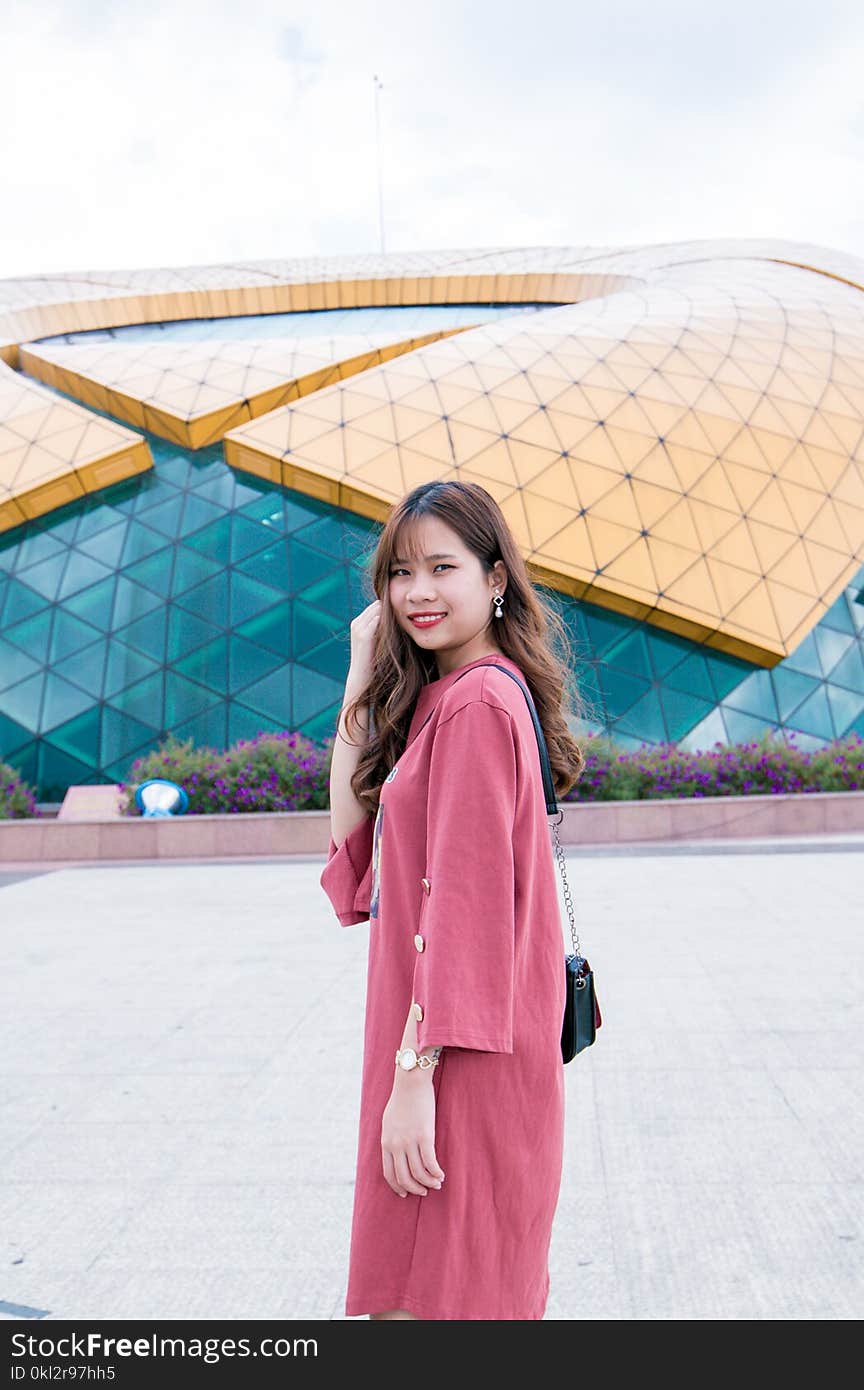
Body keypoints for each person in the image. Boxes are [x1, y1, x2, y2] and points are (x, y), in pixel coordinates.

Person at [319, 479, 592, 1320]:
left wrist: (412, 1082)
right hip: (442, 1050)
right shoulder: (448, 695)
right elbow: (350, 843)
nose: (419, 593)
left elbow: (464, 916)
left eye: (444, 566)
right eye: (401, 573)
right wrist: (362, 670)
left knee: (437, 1305)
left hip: (453, 1066)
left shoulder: (476, 703)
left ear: (496, 577)